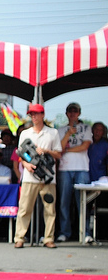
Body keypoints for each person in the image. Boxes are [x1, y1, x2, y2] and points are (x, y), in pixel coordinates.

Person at [14, 104, 62, 249]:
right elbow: (20, 155)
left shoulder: (52, 133)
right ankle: (20, 237)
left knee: (49, 209)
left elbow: (58, 154)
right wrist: (26, 165)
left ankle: (48, 238)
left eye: (36, 114)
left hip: (47, 176)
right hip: (29, 176)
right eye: (32, 114)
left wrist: (46, 151)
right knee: (24, 208)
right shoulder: (25, 133)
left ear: (42, 115)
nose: (34, 117)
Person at [56, 102, 93, 243]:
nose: (72, 113)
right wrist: (68, 134)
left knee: (82, 202)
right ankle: (64, 232)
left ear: (79, 113)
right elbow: (59, 148)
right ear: (66, 113)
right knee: (64, 202)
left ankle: (85, 233)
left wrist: (68, 150)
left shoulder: (86, 128)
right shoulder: (60, 130)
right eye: (70, 111)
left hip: (82, 168)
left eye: (75, 111)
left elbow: (85, 146)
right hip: (64, 169)